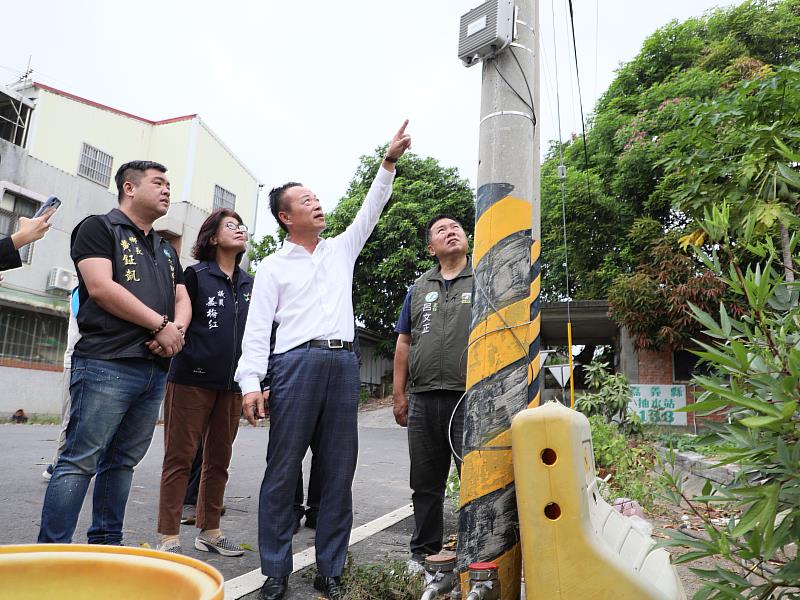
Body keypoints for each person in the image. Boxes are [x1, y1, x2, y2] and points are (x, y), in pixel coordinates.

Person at [235, 120, 412, 600]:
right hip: (294, 366)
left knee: (338, 470)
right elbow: (256, 331)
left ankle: (329, 569)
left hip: (342, 366)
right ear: (286, 217)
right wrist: (250, 382)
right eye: (306, 199)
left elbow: (371, 211)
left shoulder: (340, 252)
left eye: (317, 196)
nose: (317, 202)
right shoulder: (272, 267)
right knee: (282, 468)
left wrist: (388, 162)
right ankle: (275, 571)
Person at [38, 160, 191, 545]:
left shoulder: (165, 249)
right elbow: (102, 288)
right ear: (129, 187)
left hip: (153, 369)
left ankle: (106, 542)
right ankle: (52, 552)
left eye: (168, 184)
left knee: (123, 462)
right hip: (106, 364)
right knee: (79, 461)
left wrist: (175, 332)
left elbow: (182, 297)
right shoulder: (98, 227)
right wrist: (160, 326)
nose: (167, 190)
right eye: (158, 182)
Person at [156, 208, 253, 556]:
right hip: (190, 380)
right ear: (213, 238)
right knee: (179, 457)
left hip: (232, 385)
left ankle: (209, 530)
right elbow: (176, 319)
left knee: (218, 460)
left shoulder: (248, 283)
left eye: (241, 226)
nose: (239, 230)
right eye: (231, 226)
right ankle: (168, 537)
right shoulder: (195, 275)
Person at [392, 214, 472, 563]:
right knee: (425, 483)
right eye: (442, 230)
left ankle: (477, 551)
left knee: (475, 480)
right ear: (431, 248)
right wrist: (399, 395)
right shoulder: (419, 288)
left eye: (456, 228)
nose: (450, 232)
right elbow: (404, 342)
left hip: (470, 397)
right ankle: (424, 554)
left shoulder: (483, 280)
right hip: (423, 397)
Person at [42, 287, 81, 480]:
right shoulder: (80, 291)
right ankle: (59, 463)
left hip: (97, 362)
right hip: (76, 362)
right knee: (71, 418)